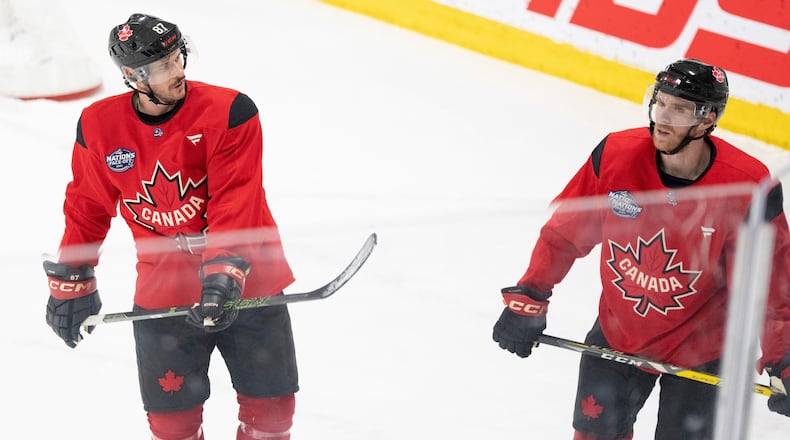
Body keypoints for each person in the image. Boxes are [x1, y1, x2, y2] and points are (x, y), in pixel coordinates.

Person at [492, 58, 790, 439]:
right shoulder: (615, 155)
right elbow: (565, 233)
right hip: (617, 336)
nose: (663, 117)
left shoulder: (747, 187)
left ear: (707, 120)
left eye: (679, 109)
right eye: (660, 102)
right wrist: (531, 295)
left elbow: (771, 286)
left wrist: (785, 359)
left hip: (701, 352)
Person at [43, 13, 299, 440]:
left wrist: (223, 275)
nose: (177, 72)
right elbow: (87, 206)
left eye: (177, 58)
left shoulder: (230, 111)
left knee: (272, 416)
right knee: (172, 425)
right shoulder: (99, 126)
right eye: (162, 67)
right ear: (132, 76)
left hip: (250, 282)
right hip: (165, 291)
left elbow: (237, 202)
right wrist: (73, 279)